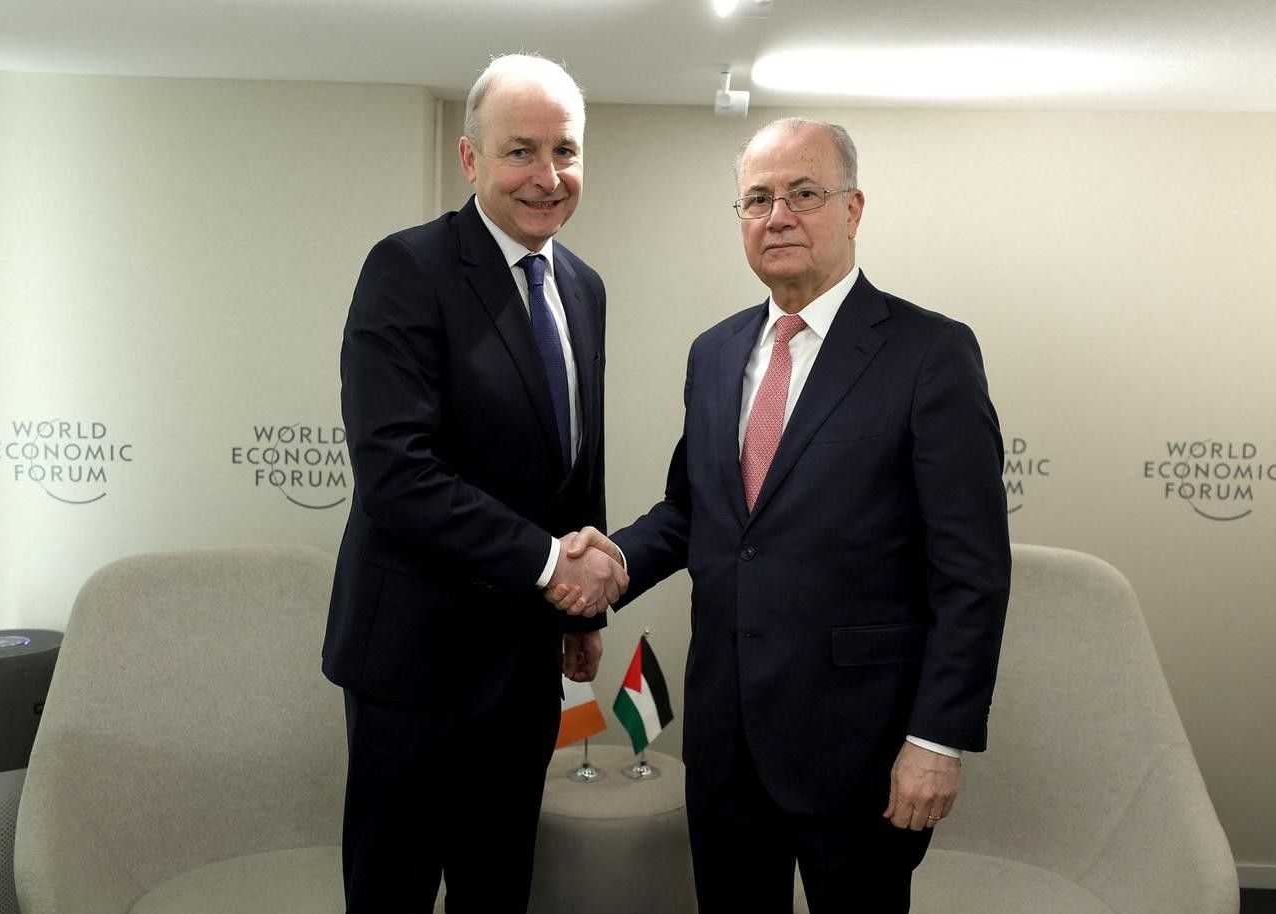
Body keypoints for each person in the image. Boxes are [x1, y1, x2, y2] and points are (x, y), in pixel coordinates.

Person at [550, 117, 1010, 913]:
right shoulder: (716, 352)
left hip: (861, 748)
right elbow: (694, 511)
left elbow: (971, 572)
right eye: (757, 199)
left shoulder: (930, 354)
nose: (778, 216)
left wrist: (936, 739)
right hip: (724, 741)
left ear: (853, 208)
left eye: (804, 194)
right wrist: (611, 563)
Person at [322, 53, 627, 914]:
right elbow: (397, 474)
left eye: (565, 151)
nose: (547, 176)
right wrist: (553, 567)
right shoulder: (407, 268)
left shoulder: (583, 287)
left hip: (522, 661)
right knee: (393, 895)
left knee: (498, 889)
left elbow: (575, 464)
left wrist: (582, 614)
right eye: (520, 150)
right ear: (470, 158)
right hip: (413, 664)